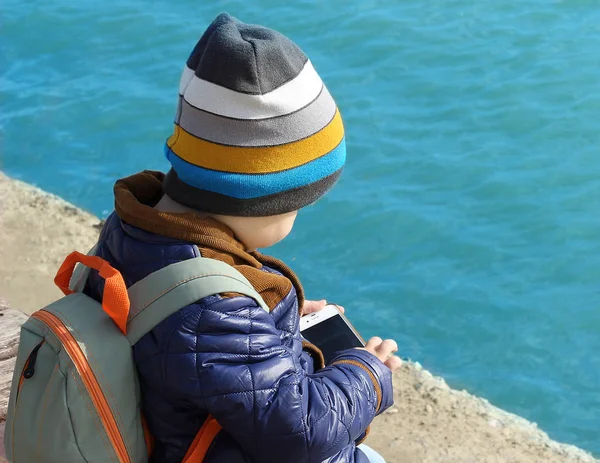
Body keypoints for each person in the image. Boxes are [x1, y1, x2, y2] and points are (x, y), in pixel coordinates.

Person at [86, 12, 401, 463]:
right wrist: (367, 375)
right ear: (259, 198)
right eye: (299, 202)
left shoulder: (135, 228)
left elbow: (189, 348)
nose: (300, 214)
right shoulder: (214, 311)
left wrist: (261, 314)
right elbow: (300, 433)